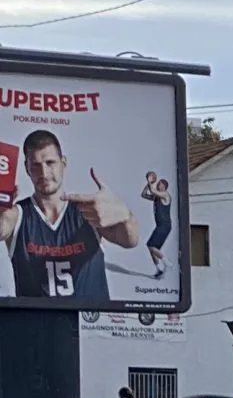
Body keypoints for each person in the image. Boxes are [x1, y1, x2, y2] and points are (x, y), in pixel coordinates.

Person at [1, 129, 139, 302]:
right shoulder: (17, 214)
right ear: (27, 168)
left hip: (91, 326)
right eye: (35, 165)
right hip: (38, 326)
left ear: (63, 162)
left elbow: (130, 240)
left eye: (50, 163)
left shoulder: (88, 211)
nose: (44, 173)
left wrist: (125, 215)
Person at [141, 171, 174, 278]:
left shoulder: (165, 195)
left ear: (165, 187)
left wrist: (150, 181)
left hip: (165, 225)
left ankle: (166, 262)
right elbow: (143, 194)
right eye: (159, 184)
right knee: (152, 248)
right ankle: (159, 269)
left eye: (161, 184)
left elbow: (152, 190)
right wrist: (148, 184)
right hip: (160, 226)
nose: (159, 185)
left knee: (151, 245)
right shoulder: (156, 197)